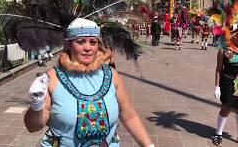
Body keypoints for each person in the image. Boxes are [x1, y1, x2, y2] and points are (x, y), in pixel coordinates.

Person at [24, 18, 154, 147]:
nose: (88, 48)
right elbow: (32, 127)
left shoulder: (111, 75)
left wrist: (149, 145)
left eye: (93, 42)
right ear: (68, 44)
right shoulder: (52, 78)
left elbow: (129, 116)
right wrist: (36, 105)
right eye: (80, 42)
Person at [212, 29, 238, 146]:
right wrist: (216, 87)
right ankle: (218, 133)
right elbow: (218, 69)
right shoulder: (224, 49)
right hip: (227, 81)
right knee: (226, 108)